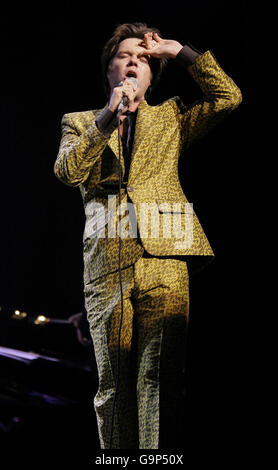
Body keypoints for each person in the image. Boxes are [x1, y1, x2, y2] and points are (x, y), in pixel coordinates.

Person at [54, 22, 242, 449]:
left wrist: (180, 52)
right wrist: (106, 118)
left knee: (159, 378)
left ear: (152, 75)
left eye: (142, 58)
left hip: (166, 257)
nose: (134, 62)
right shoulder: (79, 122)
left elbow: (228, 97)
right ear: (110, 71)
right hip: (106, 262)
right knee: (114, 387)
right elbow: (68, 172)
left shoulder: (171, 118)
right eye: (124, 56)